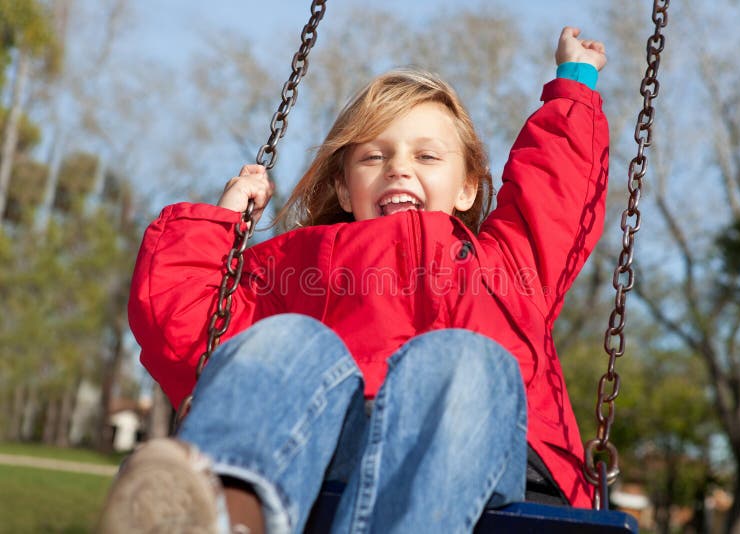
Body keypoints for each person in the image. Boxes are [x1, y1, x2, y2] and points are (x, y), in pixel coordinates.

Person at [100, 26, 608, 534]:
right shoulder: (296, 268)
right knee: (285, 342)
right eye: (373, 156)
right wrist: (223, 223)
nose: (399, 170)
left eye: (427, 156)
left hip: (485, 453)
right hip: (326, 445)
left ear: (468, 187)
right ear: (344, 187)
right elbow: (185, 326)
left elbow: (555, 190)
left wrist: (575, 81)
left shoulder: (510, 263)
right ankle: (228, 512)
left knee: (464, 360)